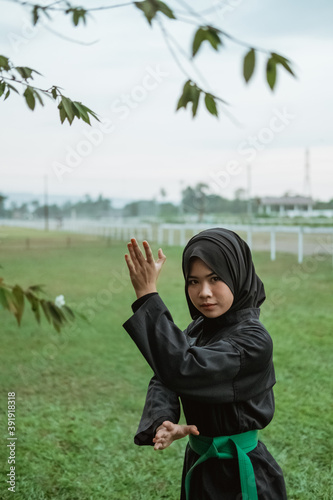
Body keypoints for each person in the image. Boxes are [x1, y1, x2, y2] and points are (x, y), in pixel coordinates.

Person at [123, 228, 287, 499]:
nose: (204, 292)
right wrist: (164, 418)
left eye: (215, 278)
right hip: (199, 466)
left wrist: (146, 295)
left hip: (242, 475)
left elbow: (183, 368)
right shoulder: (199, 328)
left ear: (237, 275)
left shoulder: (254, 341)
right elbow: (164, 375)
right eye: (193, 281)